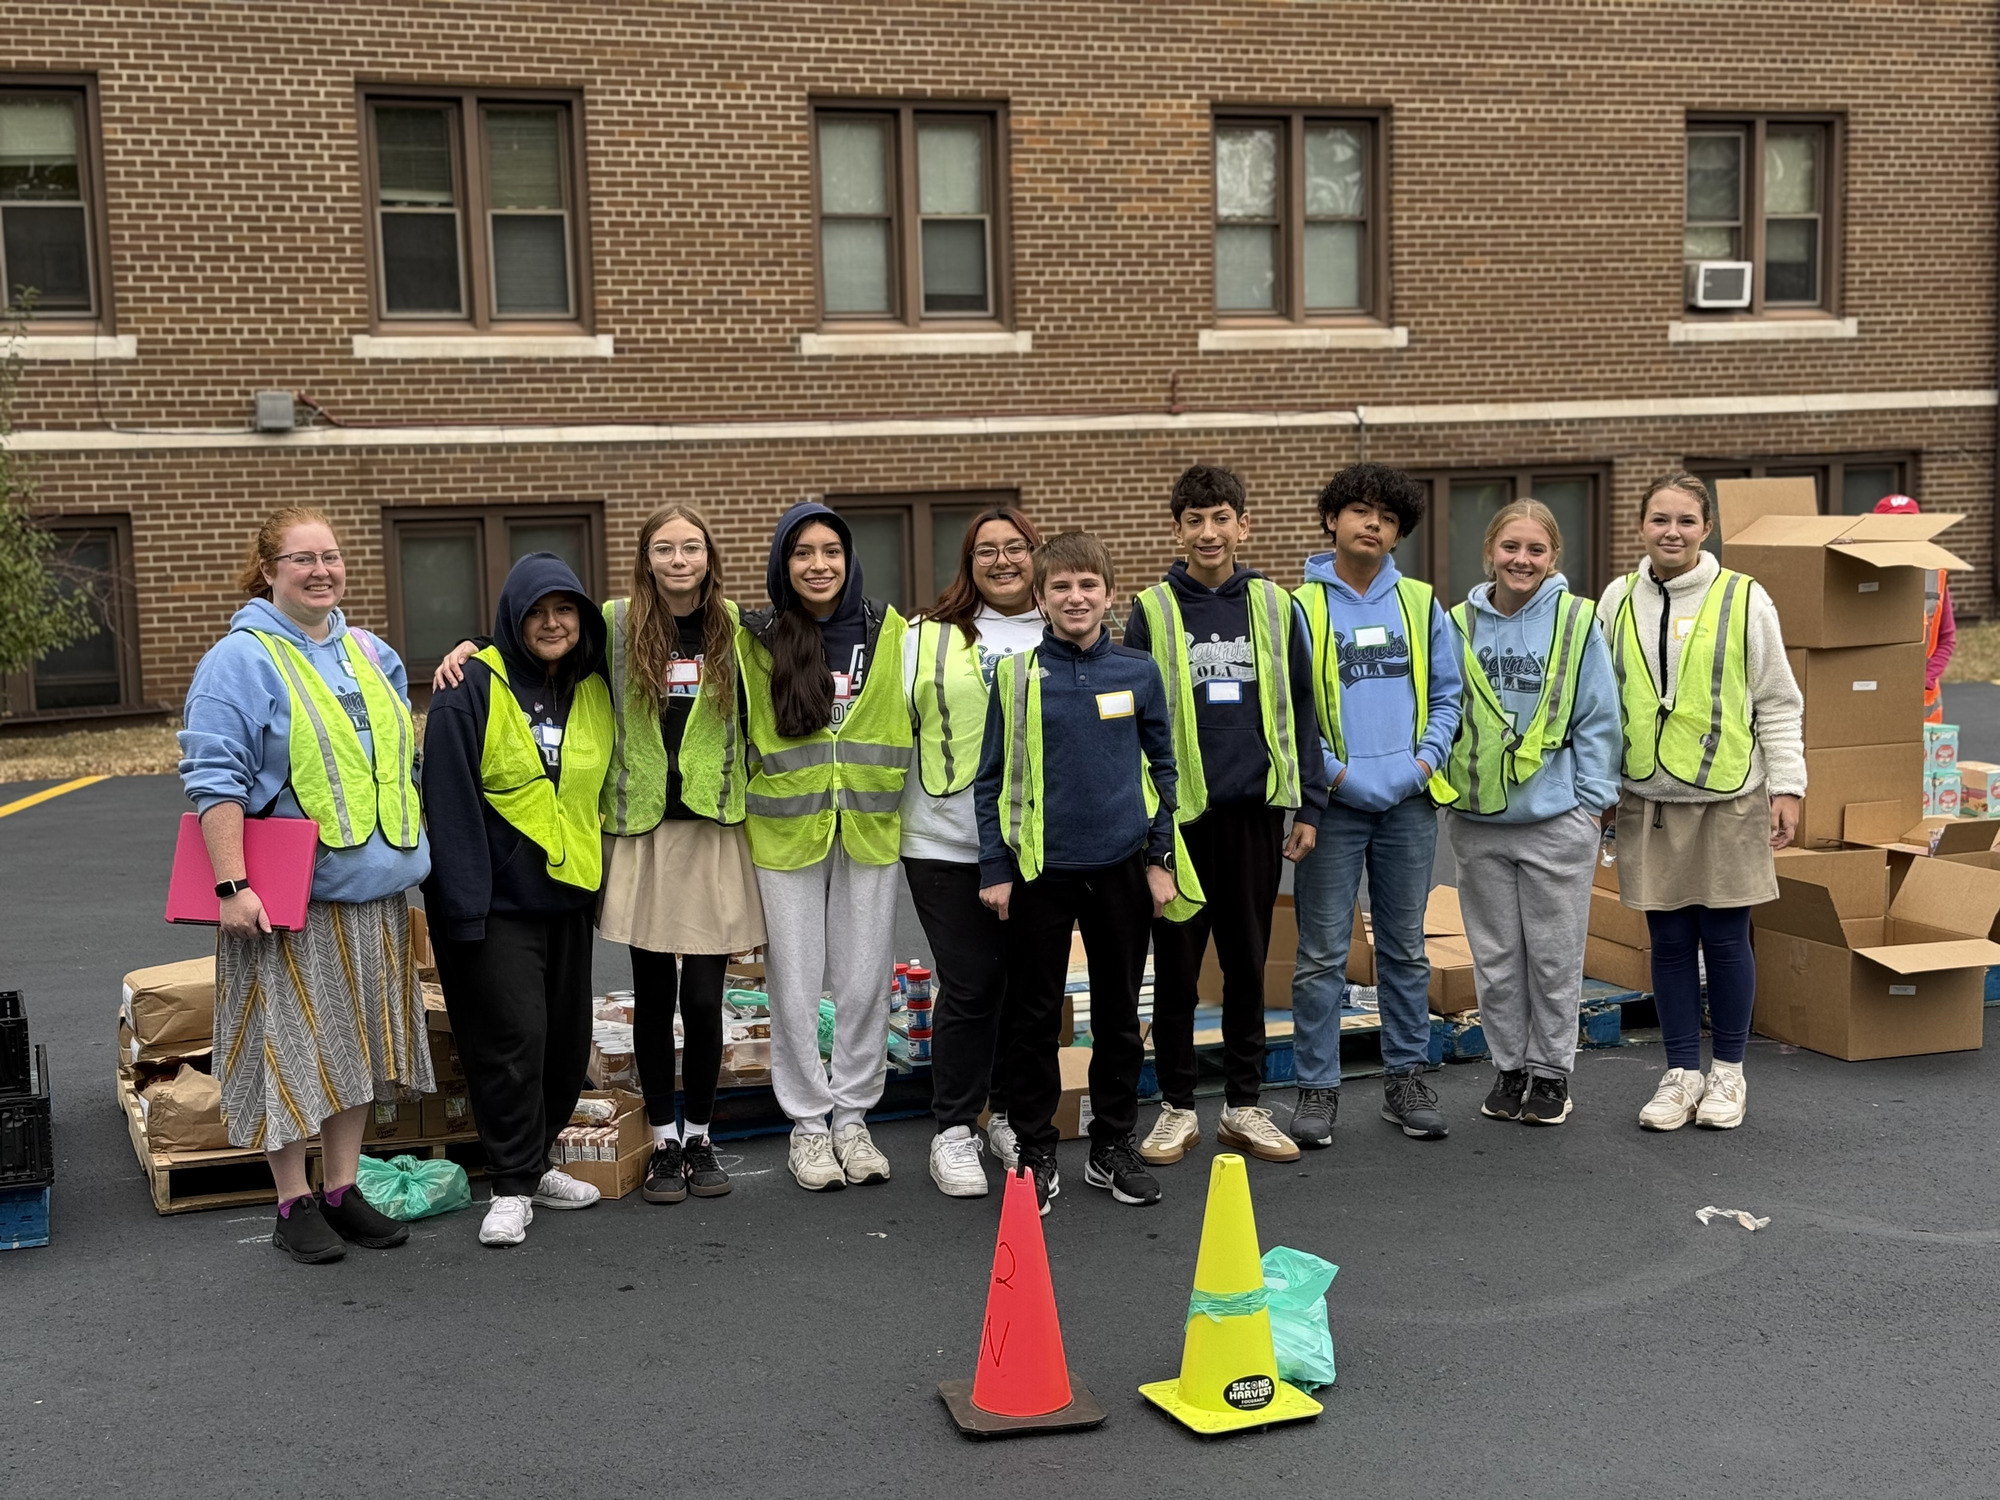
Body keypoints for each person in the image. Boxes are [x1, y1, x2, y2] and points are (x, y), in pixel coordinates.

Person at [178, 505, 432, 1264]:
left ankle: (342, 1189)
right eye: (301, 559)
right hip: (288, 902)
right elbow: (213, 779)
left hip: (376, 892)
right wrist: (232, 887)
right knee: (289, 1050)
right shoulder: (240, 659)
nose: (321, 571)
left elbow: (394, 764)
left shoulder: (371, 652)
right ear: (269, 571)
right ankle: (292, 1200)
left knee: (354, 1047)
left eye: (331, 556)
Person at [976, 531, 1194, 1214]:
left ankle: (1112, 1145)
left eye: (1087, 585)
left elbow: (1165, 770)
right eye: (1061, 587)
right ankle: (1038, 1148)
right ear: (1039, 599)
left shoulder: (1137, 672)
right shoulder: (1014, 679)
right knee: (1035, 1018)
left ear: (1108, 594)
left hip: (1124, 870)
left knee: (1121, 1017)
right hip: (1041, 874)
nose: (1075, 598)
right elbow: (990, 783)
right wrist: (996, 867)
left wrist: (1160, 860)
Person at [1122, 465, 1325, 1168]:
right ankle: (1178, 1107)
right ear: (1176, 530)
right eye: (1194, 521)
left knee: (1245, 966)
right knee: (1176, 970)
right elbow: (1138, 722)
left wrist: (1310, 801)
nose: (1209, 533)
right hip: (1178, 825)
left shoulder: (1276, 605)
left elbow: (1303, 707)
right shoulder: (1152, 610)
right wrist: (1150, 831)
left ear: (1245, 523)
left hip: (1253, 818)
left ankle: (1244, 1104)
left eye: (1221, 518)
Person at [1597, 472, 1804, 1132]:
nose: (1673, 532)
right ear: (1640, 527)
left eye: (1686, 520)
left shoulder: (1745, 600)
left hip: (1729, 796)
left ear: (1706, 529)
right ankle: (1681, 1072)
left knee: (1724, 935)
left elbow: (1776, 700)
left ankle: (1729, 1075)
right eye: (1660, 519)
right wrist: (1600, 787)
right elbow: (1599, 705)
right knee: (1668, 938)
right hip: (1647, 797)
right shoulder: (1616, 600)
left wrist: (1789, 786)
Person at [422, 552, 614, 1245]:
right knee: (511, 1042)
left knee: (563, 1047)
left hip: (566, 897)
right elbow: (446, 802)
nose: (552, 623)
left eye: (565, 611)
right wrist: (462, 907)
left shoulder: (595, 686)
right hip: (492, 904)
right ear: (512, 619)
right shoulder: (468, 684)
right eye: (536, 612)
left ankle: (534, 1163)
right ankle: (507, 1186)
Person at [1288, 463, 1464, 1146]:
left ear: (1398, 534)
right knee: (1322, 954)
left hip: (1409, 807)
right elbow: (1291, 712)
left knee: (1405, 950)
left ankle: (1405, 1082)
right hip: (1331, 807)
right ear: (1332, 519)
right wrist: (1332, 778)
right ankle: (1316, 1091)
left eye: (1387, 519)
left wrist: (1421, 766)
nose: (1373, 525)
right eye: (1360, 511)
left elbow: (1448, 697)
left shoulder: (1421, 604)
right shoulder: (1299, 607)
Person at [739, 503, 911, 1192]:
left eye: (830, 551)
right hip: (784, 833)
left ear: (850, 558)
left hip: (870, 830)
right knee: (796, 988)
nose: (818, 565)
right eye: (802, 552)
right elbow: (662, 615)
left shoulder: (893, 630)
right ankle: (809, 1126)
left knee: (867, 982)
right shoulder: (755, 637)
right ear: (784, 564)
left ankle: (853, 1118)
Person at [1441, 500, 1622, 1127]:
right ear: (1490, 550)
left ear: (1553, 558)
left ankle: (1551, 1072)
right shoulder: (1456, 623)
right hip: (1479, 819)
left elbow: (1600, 715)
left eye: (1536, 550)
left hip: (1557, 818)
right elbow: (1441, 710)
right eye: (1510, 547)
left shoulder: (1577, 620)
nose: (1522, 560)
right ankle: (1509, 1066)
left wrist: (1594, 805)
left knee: (1553, 954)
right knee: (1495, 957)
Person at [901, 505, 1047, 1199]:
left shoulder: (1065, 624)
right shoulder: (924, 637)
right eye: (986, 550)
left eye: (1015, 548)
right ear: (968, 562)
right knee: (971, 983)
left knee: (1024, 988)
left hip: (1037, 845)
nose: (1002, 561)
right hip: (943, 839)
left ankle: (1007, 1114)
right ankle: (953, 1128)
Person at [1873, 494, 1955, 723]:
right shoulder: (1864, 575)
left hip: (1923, 708)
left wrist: (1924, 681)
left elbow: (1947, 638)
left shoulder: (1935, 573)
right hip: (1877, 698)